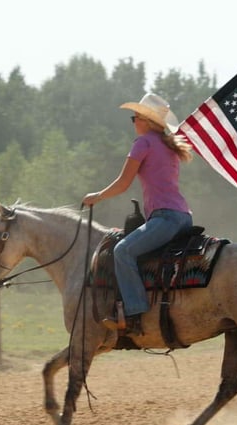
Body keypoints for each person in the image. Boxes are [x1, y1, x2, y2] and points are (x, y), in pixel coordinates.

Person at [82, 93, 194, 334]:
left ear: (146, 121)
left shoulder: (143, 143)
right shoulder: (168, 145)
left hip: (165, 218)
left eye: (135, 118)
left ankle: (133, 314)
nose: (133, 122)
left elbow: (123, 183)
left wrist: (97, 197)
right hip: (184, 217)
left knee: (122, 251)